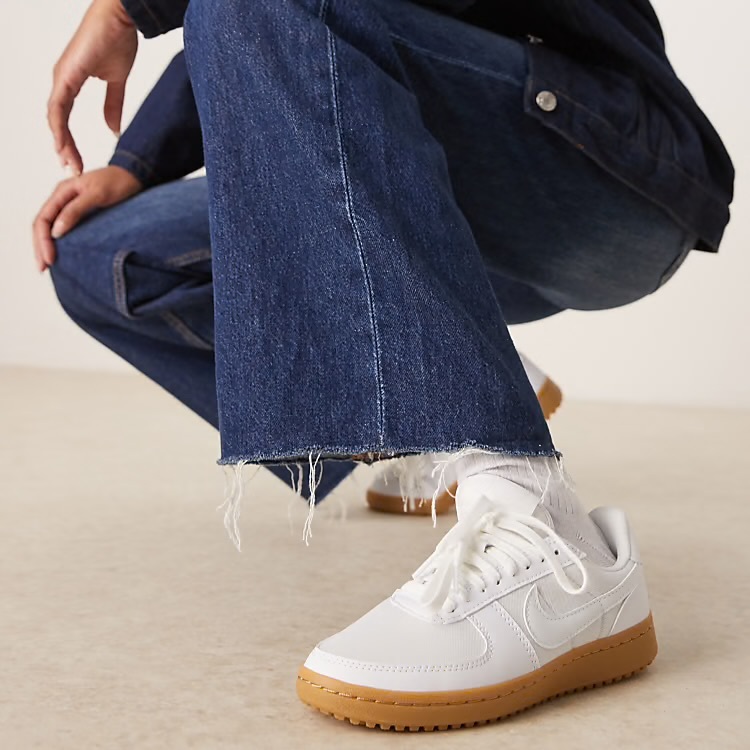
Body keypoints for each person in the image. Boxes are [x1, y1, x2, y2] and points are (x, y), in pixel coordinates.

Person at [41, 0, 733, 732]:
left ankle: (543, 527)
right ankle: (449, 388)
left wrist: (126, 10)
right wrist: (135, 165)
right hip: (412, 164)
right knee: (99, 258)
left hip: (600, 169)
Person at [34, 50, 563, 517]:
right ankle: (434, 387)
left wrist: (125, 12)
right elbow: (233, 32)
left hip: (518, 167)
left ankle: (453, 382)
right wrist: (136, 164)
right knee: (87, 256)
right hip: (356, 159)